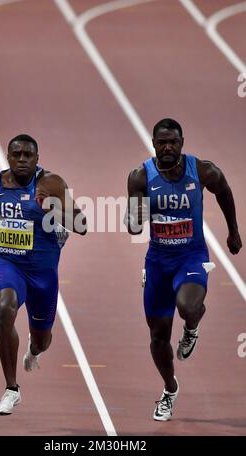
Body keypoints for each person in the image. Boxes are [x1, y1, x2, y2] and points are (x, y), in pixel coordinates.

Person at [0, 134, 87, 415]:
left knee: (42, 340)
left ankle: (33, 351)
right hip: (9, 264)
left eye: (28, 155)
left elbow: (82, 224)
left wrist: (54, 207)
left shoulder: (51, 183)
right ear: (8, 157)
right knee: (5, 308)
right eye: (17, 154)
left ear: (37, 159)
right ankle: (11, 388)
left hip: (44, 274)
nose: (22, 160)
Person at [125, 118, 242, 421]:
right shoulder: (140, 176)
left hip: (191, 256)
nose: (167, 147)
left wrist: (233, 231)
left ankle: (192, 327)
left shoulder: (202, 170)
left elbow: (224, 191)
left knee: (188, 305)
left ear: (182, 143)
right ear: (153, 144)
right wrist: (134, 220)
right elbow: (134, 221)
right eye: (161, 142)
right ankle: (169, 389)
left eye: (172, 142)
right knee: (158, 335)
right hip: (158, 262)